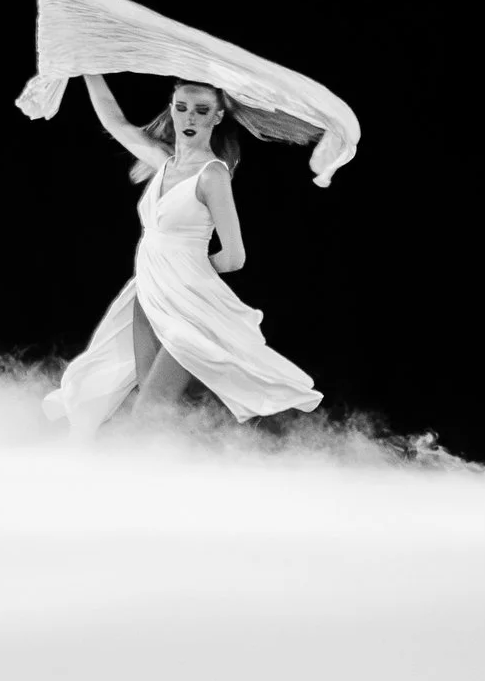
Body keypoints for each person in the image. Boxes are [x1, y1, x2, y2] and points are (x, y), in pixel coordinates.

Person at [44, 75, 322, 435]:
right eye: (182, 108)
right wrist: (86, 68)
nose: (190, 117)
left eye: (202, 110)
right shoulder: (163, 162)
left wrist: (187, 274)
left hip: (189, 305)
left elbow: (234, 257)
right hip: (148, 296)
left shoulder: (212, 176)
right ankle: (201, 456)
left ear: (217, 117)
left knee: (148, 412)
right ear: (171, 111)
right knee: (158, 408)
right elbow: (115, 121)